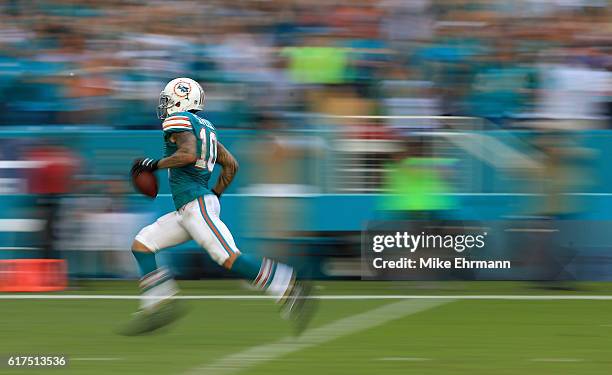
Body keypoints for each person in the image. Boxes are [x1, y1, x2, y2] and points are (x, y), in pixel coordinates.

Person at [122, 78, 314, 336]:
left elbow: (188, 154)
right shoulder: (208, 128)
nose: (165, 106)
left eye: (168, 100)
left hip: (195, 205)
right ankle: (159, 304)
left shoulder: (177, 120)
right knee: (142, 244)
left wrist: (153, 165)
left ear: (181, 99)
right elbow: (231, 164)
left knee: (228, 257)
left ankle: (288, 283)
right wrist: (214, 196)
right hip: (191, 207)